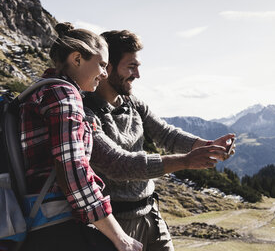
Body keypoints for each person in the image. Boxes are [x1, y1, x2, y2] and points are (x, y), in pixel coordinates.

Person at [83, 29, 234, 251]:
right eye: (131, 67)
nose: (137, 75)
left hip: (151, 213)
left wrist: (210, 146)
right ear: (107, 67)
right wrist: (185, 161)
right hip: (117, 223)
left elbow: (166, 134)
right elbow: (119, 165)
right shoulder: (86, 112)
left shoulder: (133, 103)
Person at [19, 23, 142, 251]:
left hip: (35, 218)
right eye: (102, 64)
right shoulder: (64, 94)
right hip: (56, 224)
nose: (104, 73)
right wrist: (119, 237)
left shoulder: (40, 90)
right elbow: (73, 169)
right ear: (77, 59)